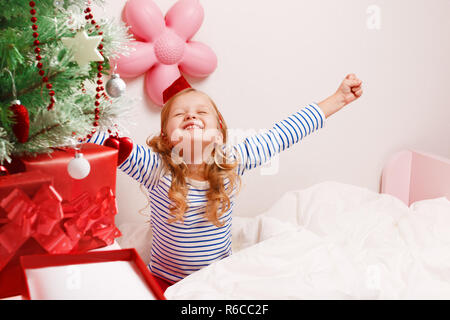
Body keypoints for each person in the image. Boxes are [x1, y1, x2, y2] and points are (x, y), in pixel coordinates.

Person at [88, 73, 363, 291]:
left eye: (201, 112)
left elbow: (282, 133)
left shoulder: (233, 161)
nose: (191, 116)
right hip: (164, 279)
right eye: (180, 114)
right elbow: (111, 145)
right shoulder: (156, 168)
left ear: (219, 132)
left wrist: (337, 99)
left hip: (217, 277)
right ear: (166, 137)